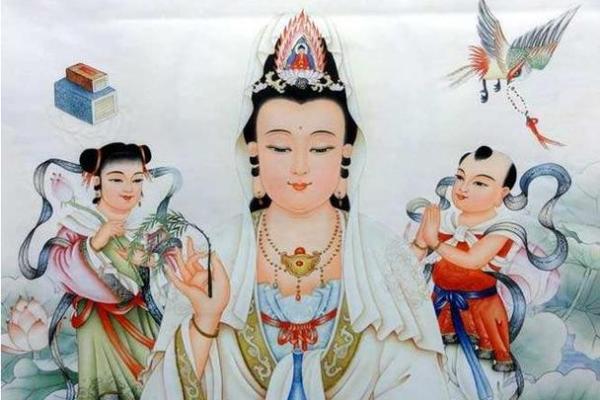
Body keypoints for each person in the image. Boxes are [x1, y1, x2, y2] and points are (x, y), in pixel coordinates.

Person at [141, 11, 450, 400]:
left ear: (346, 155)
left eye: (320, 148)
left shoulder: (382, 254)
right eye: (280, 147)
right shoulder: (215, 254)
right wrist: (205, 322)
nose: (300, 166)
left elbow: (421, 383)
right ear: (254, 153)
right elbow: (160, 391)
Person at [48, 143, 160, 400]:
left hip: (139, 318)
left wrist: (152, 260)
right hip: (99, 322)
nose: (129, 188)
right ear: (97, 180)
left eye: (137, 179)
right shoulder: (79, 223)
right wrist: (95, 243)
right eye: (117, 179)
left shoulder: (143, 227)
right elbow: (57, 264)